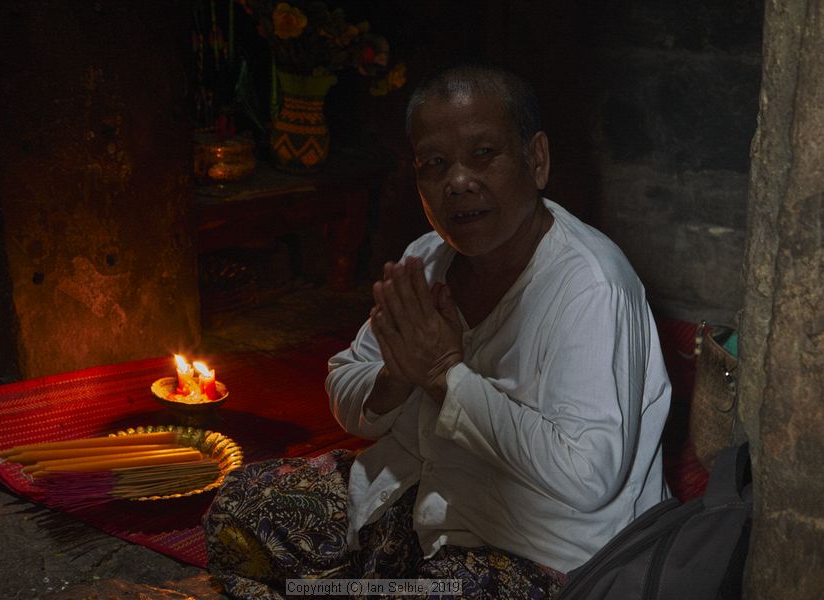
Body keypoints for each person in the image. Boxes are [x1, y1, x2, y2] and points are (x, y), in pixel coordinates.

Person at [204, 62, 671, 599]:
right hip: (419, 498)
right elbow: (345, 380)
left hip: (536, 551)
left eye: (483, 155)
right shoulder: (426, 259)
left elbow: (588, 477)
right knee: (237, 512)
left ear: (536, 159)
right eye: (434, 164)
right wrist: (395, 380)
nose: (458, 182)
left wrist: (445, 376)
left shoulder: (591, 287)